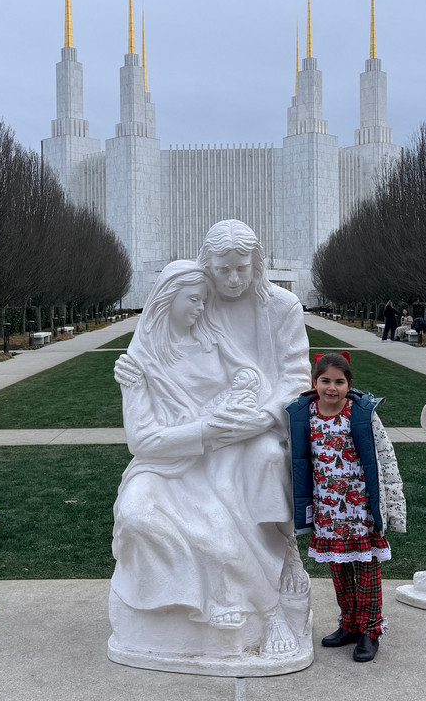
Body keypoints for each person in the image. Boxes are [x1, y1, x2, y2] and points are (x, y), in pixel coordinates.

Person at [110, 253, 310, 667]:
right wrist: (205, 431)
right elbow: (142, 440)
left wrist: (238, 397)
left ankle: (265, 610)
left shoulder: (212, 337)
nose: (203, 307)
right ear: (167, 300)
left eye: (205, 299)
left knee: (219, 530)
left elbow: (252, 375)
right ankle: (186, 602)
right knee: (134, 516)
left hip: (219, 452)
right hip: (164, 463)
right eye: (195, 300)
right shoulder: (138, 363)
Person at [285, 353, 407, 663]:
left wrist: (392, 503)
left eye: (339, 382)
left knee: (366, 573)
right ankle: (350, 623)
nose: (332, 388)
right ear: (315, 383)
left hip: (360, 510)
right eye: (325, 381)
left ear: (349, 384)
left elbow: (385, 455)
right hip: (327, 510)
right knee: (339, 572)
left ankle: (370, 630)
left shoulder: (361, 414)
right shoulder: (305, 414)